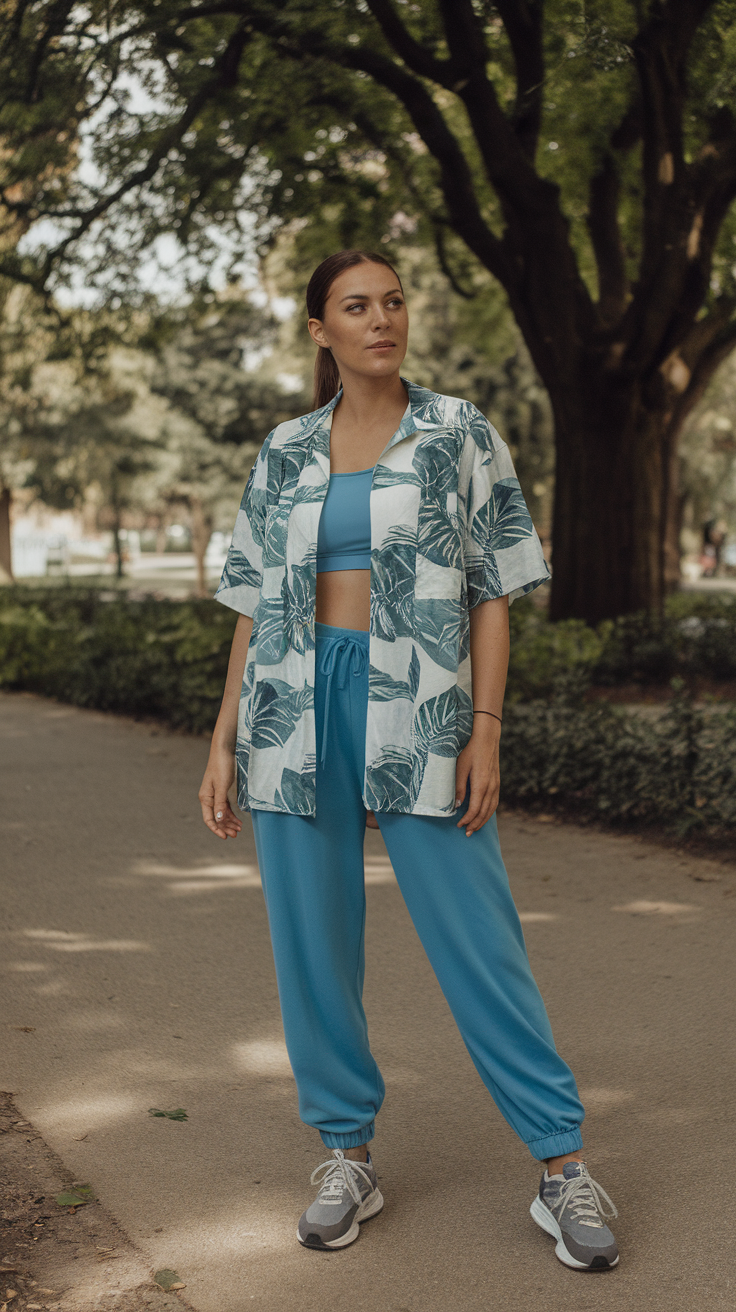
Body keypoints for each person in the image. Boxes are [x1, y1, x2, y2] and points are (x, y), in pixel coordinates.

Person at [198, 250, 619, 1270]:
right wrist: (220, 740)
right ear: (320, 330)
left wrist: (485, 724)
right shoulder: (285, 450)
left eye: (392, 302)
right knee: (314, 939)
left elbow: (492, 587)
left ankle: (562, 1166)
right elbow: (254, 605)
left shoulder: (458, 432)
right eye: (357, 305)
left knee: (479, 935)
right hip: (292, 712)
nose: (381, 318)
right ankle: (346, 1152)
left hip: (423, 706)